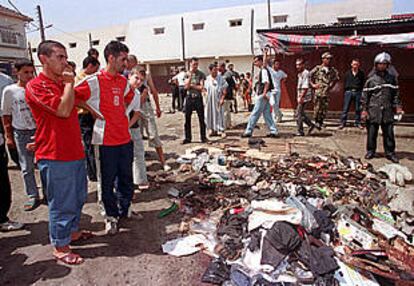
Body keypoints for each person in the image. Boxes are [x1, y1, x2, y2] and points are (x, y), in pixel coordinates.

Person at [26, 40, 92, 265]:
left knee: (78, 197)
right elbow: (63, 110)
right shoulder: (37, 86)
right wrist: (69, 84)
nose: (65, 62)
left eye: (66, 57)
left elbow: (79, 102)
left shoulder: (61, 84)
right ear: (44, 59)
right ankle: (61, 246)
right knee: (61, 203)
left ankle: (72, 233)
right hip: (54, 155)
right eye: (60, 57)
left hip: (74, 151)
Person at [75, 41, 135, 235]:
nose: (126, 63)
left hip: (124, 138)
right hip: (105, 141)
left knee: (126, 178)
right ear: (111, 58)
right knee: (106, 181)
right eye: (123, 59)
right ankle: (110, 216)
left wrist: (123, 116)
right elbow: (73, 96)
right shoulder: (93, 80)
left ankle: (125, 209)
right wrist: (91, 110)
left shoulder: (123, 81)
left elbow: (129, 97)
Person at [1, 59, 41, 211]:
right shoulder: (10, 91)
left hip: (39, 131)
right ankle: (32, 195)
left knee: (44, 164)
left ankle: (49, 193)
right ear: (16, 72)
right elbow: (6, 114)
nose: (29, 75)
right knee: (26, 166)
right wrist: (9, 136)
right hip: (21, 133)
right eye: (25, 72)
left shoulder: (37, 88)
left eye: (31, 72)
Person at [362, 52, 403, 163]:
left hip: (387, 109)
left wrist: (398, 107)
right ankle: (371, 151)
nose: (382, 66)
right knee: (372, 132)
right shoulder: (370, 80)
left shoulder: (392, 79)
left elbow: (396, 95)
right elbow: (365, 96)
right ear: (376, 65)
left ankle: (390, 153)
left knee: (389, 133)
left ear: (388, 65)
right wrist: (364, 110)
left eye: (384, 64)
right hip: (373, 109)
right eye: (380, 64)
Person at [0, 72, 24, 232]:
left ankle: (2, 218)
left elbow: (5, 113)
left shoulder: (4, 80)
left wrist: (7, 135)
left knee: (2, 183)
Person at [138, 67, 171, 171]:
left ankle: (163, 162)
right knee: (135, 137)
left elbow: (153, 90)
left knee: (153, 134)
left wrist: (158, 107)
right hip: (133, 106)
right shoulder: (125, 75)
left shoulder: (145, 75)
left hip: (145, 105)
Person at [75, 56, 100, 183]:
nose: (96, 72)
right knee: (89, 143)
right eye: (95, 69)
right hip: (84, 115)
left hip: (89, 113)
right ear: (90, 66)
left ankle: (92, 171)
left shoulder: (85, 77)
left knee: (91, 142)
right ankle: (93, 172)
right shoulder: (81, 79)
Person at [242, 55, 278, 138]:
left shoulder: (264, 71)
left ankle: (248, 131)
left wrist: (264, 93)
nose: (254, 63)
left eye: (256, 61)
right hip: (266, 94)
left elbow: (267, 83)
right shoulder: (264, 70)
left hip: (263, 94)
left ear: (261, 61)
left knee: (255, 113)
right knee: (267, 114)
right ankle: (273, 130)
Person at [127, 67, 148, 190]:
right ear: (129, 76)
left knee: (138, 154)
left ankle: (139, 180)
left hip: (131, 126)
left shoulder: (137, 94)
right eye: (136, 78)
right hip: (117, 129)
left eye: (141, 80)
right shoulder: (122, 89)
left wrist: (127, 126)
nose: (138, 82)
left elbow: (137, 112)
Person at [310, 52, 339, 129]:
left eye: (330, 59)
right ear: (323, 59)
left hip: (326, 92)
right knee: (317, 107)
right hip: (318, 91)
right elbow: (309, 76)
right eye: (327, 58)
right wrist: (313, 85)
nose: (329, 60)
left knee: (324, 108)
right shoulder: (318, 68)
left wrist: (331, 85)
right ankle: (316, 122)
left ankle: (321, 122)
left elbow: (336, 78)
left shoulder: (332, 69)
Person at [183, 57, 207, 144]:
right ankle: (188, 138)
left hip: (198, 98)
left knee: (201, 118)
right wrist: (190, 76)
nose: (195, 66)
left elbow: (201, 87)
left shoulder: (201, 74)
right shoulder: (187, 74)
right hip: (189, 97)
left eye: (196, 64)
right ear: (190, 64)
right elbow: (185, 86)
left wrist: (192, 86)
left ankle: (203, 137)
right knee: (187, 119)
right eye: (194, 64)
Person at [0, 71, 19, 167]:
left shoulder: (6, 79)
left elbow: (13, 96)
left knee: (10, 137)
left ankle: (16, 159)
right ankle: (3, 159)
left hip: (6, 114)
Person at [339, 59, 365, 129]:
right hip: (348, 92)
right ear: (351, 64)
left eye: (356, 64)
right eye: (354, 64)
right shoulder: (347, 73)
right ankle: (342, 123)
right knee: (345, 108)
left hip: (358, 92)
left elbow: (363, 83)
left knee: (358, 108)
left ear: (358, 65)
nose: (355, 66)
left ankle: (358, 123)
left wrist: (362, 93)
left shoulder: (361, 74)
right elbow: (344, 83)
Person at [295, 58, 317, 136]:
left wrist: (301, 97)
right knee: (301, 114)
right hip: (301, 95)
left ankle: (300, 131)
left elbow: (305, 87)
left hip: (304, 97)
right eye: (296, 64)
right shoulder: (300, 74)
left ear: (303, 65)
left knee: (298, 114)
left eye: (299, 64)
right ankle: (311, 125)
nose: (297, 66)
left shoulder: (305, 73)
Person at [205, 63, 228, 137]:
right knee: (210, 114)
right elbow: (204, 89)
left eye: (216, 70)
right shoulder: (207, 79)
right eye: (214, 70)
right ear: (210, 70)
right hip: (209, 101)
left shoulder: (221, 78)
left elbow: (224, 90)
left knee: (220, 114)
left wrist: (222, 98)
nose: (215, 72)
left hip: (218, 99)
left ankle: (221, 130)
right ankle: (211, 129)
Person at [220, 63, 236, 129]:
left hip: (227, 95)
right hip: (223, 95)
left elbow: (233, 84)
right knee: (226, 111)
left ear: (223, 67)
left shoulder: (228, 74)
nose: (219, 69)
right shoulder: (221, 74)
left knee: (225, 111)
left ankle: (225, 125)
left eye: (220, 67)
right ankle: (228, 124)